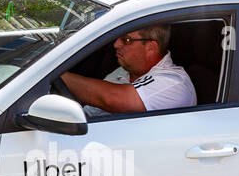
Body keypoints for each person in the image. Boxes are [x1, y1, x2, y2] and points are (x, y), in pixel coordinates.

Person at [60, 24, 196, 117]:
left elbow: (111, 99)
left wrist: (58, 76)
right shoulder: (124, 71)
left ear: (151, 48)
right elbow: (92, 112)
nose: (116, 44)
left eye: (126, 40)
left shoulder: (173, 82)